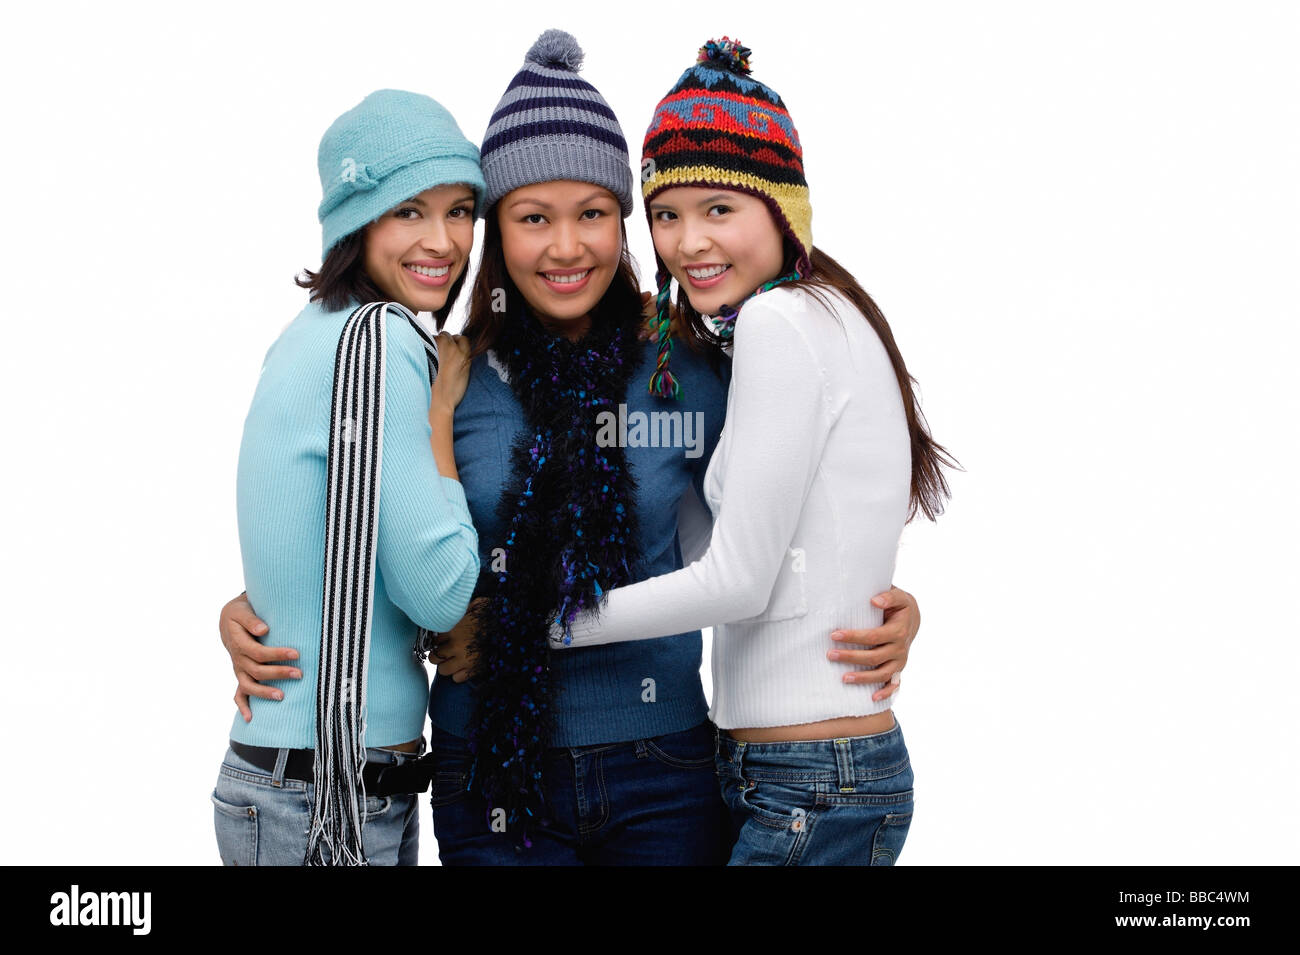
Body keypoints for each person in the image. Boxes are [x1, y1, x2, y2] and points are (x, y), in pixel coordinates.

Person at [219, 30, 924, 866]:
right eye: (531, 219)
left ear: (625, 222)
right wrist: (256, 604)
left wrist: (880, 604)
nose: (564, 247)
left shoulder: (686, 360)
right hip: (488, 771)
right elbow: (369, 527)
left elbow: (787, 506)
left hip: (664, 763)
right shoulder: (443, 373)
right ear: (494, 232)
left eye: (592, 214)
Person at [530, 37, 962, 865]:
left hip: (811, 778)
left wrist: (542, 624)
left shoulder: (779, 323)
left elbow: (737, 580)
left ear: (782, 211)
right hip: (790, 770)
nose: (688, 242)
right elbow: (751, 550)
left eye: (719, 208)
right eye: (665, 214)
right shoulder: (796, 323)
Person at [211, 89, 485, 866]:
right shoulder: (381, 343)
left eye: (461, 209)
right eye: (409, 211)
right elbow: (438, 589)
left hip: (314, 787)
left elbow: (314, 547)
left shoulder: (310, 336)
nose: (443, 240)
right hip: (324, 800)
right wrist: (441, 415)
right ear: (354, 222)